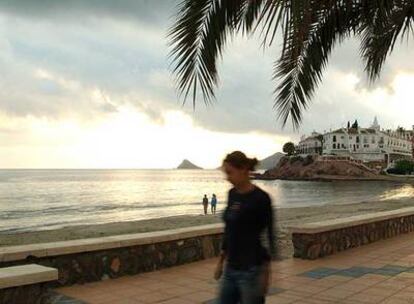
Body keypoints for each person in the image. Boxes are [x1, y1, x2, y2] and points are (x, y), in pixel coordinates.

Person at [214, 151, 275, 304]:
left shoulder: (261, 199)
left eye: (229, 172)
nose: (227, 177)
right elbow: (229, 231)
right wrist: (220, 262)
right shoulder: (232, 194)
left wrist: (266, 274)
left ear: (243, 169)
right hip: (231, 269)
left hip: (252, 271)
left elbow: (269, 235)